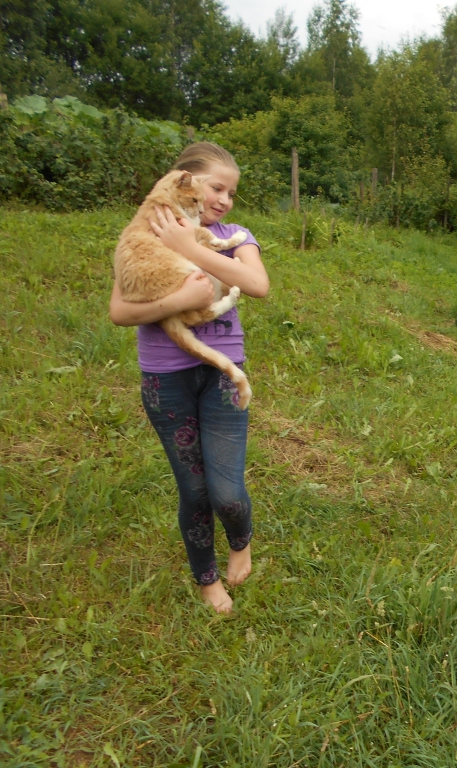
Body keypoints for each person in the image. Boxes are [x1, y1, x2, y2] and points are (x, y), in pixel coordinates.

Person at [108, 142, 269, 614]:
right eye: (216, 188)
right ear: (188, 182)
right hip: (166, 380)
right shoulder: (146, 229)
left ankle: (240, 539)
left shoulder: (236, 235)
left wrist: (188, 246)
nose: (223, 200)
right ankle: (206, 579)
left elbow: (257, 285)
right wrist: (180, 301)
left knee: (227, 492)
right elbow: (119, 311)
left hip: (221, 377)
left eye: (231, 193)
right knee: (194, 490)